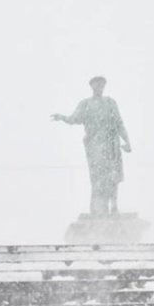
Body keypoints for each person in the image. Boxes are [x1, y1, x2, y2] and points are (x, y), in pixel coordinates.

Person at [52, 76, 132, 215]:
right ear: (92, 86)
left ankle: (113, 205)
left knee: (113, 176)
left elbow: (119, 123)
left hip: (111, 145)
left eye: (102, 84)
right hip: (95, 147)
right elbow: (74, 119)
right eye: (97, 84)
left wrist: (127, 141)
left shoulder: (110, 103)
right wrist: (62, 117)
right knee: (98, 178)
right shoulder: (86, 104)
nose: (100, 87)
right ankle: (98, 207)